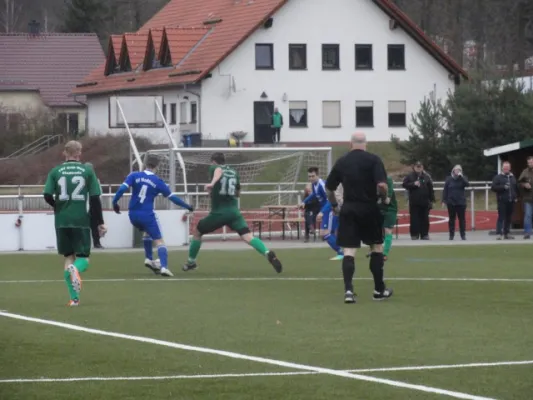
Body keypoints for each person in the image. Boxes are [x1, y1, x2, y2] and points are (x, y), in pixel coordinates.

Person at [183, 152, 282, 273]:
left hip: (219, 213)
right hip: (234, 212)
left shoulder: (215, 167)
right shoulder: (234, 172)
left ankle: (191, 262)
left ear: (213, 161)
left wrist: (212, 184)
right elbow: (238, 193)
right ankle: (267, 253)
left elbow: (218, 170)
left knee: (197, 232)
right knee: (248, 237)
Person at [325, 132, 393, 304]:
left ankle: (348, 291)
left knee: (349, 251)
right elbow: (382, 185)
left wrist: (334, 206)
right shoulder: (374, 160)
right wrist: (384, 198)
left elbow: (329, 189)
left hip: (349, 209)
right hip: (370, 208)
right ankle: (378, 290)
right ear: (366, 144)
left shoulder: (342, 161)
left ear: (350, 144)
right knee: (376, 247)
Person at [43, 140, 106, 307]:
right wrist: (100, 222)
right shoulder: (87, 170)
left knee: (68, 257)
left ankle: (74, 299)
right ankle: (76, 270)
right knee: (83, 258)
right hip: (80, 220)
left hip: (62, 220)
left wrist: (57, 207)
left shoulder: (55, 171)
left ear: (65, 153)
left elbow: (47, 195)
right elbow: (94, 198)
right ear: (79, 153)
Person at [112, 154, 194, 276]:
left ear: (145, 165)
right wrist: (187, 206)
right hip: (147, 215)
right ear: (157, 167)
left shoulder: (134, 175)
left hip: (133, 215)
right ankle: (164, 267)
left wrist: (115, 202)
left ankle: (149, 259)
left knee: (147, 233)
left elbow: (121, 190)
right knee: (160, 241)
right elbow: (173, 198)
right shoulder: (158, 181)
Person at [402, 161, 435, 240]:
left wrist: (431, 200)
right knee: (414, 219)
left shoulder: (427, 177)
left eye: (420, 167)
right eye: (417, 167)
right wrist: (413, 184)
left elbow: (430, 189)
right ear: (414, 167)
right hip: (414, 202)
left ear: (422, 167)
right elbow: (404, 184)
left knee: (425, 219)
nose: (418, 168)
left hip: (425, 202)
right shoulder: (410, 176)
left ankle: (424, 234)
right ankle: (414, 234)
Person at [316, 184, 344, 261]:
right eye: (309, 176)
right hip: (331, 209)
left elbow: (331, 198)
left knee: (325, 233)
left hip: (331, 209)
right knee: (330, 233)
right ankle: (342, 252)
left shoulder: (322, 184)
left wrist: (322, 212)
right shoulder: (315, 185)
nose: (310, 178)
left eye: (312, 176)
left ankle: (341, 253)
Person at [491, 161, 518, 240]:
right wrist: (503, 187)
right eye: (505, 167)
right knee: (501, 217)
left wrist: (515, 197)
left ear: (510, 168)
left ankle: (507, 233)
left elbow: (515, 188)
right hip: (502, 200)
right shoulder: (498, 177)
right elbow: (493, 187)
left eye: (507, 167)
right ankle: (499, 233)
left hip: (511, 200)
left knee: (509, 218)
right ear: (502, 168)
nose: (506, 169)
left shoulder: (512, 177)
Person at [442, 165, 469, 240]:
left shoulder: (463, 178)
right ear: (453, 170)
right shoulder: (449, 179)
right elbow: (445, 190)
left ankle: (463, 235)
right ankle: (451, 235)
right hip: (451, 202)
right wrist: (444, 200)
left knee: (462, 219)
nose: (457, 171)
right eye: (456, 170)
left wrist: (461, 177)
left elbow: (467, 184)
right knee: (451, 219)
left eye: (459, 170)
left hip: (461, 202)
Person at [85, 162, 104, 249]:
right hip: (90, 203)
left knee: (91, 226)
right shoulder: (94, 180)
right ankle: (96, 243)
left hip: (87, 204)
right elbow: (98, 196)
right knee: (93, 225)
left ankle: (94, 243)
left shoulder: (93, 180)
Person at [518, 156, 533, 239]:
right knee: (528, 215)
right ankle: (527, 233)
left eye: (532, 162)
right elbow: (519, 183)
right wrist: (524, 185)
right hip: (528, 198)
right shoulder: (525, 172)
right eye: (529, 162)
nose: (531, 164)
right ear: (527, 163)